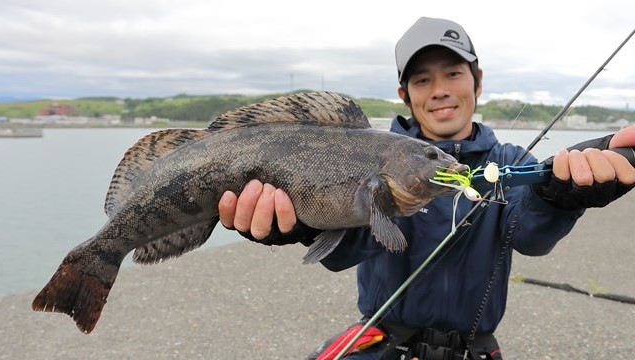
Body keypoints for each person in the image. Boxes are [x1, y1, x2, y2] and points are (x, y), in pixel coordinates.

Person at [218, 17, 635, 359]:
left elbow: (530, 234)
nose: (439, 91)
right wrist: (303, 223)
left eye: (453, 73)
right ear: (404, 95)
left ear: (477, 81)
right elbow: (343, 252)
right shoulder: (365, 154)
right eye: (421, 80)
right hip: (382, 346)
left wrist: (559, 192)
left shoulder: (510, 163)